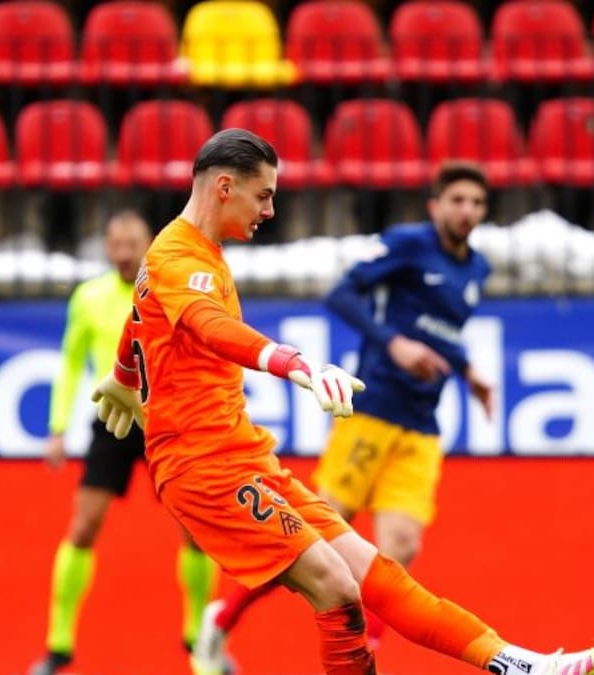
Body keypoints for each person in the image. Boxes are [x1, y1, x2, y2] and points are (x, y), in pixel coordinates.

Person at [90, 128, 594, 675]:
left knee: (378, 574)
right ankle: (220, 623)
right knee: (336, 585)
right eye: (265, 194)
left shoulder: (184, 254)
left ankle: (519, 663)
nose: (271, 210)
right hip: (203, 470)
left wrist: (123, 377)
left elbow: (142, 316)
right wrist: (294, 363)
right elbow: (211, 327)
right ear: (225, 187)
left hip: (247, 457)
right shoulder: (183, 257)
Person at [193, 161, 496, 663]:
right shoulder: (406, 245)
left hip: (422, 422)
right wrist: (392, 344)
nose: (467, 211)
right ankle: (221, 621)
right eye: (458, 200)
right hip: (373, 408)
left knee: (400, 546)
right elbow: (341, 295)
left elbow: (441, 331)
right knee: (312, 538)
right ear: (436, 205)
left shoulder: (476, 269)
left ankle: (368, 652)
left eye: (477, 203)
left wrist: (467, 371)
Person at [29, 211, 222, 675]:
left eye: (130, 244)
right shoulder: (89, 297)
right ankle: (59, 644)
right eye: (114, 245)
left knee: (194, 530)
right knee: (83, 526)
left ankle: (199, 640)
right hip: (113, 419)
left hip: (167, 420)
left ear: (147, 244)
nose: (121, 254)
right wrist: (57, 428)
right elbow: (71, 363)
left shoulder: (171, 288)